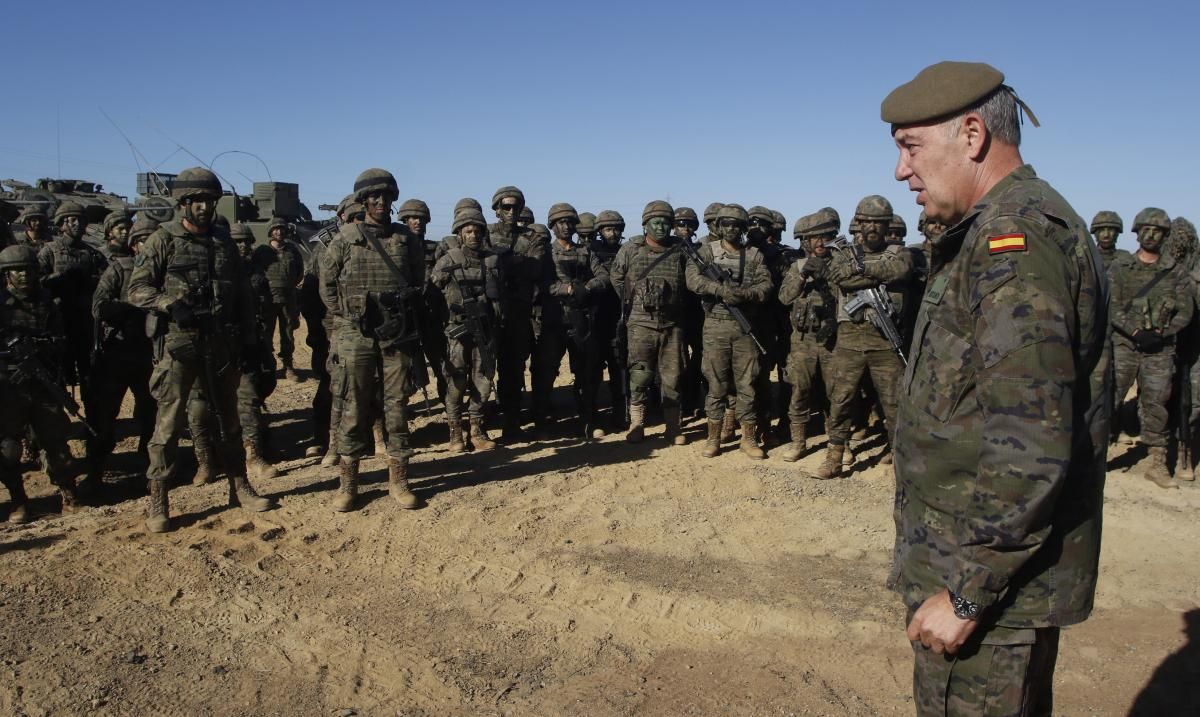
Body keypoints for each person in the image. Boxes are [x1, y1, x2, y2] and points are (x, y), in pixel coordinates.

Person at [882, 61, 1109, 715]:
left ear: (973, 134)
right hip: (991, 579)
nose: (902, 171)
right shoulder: (1003, 229)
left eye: (910, 146)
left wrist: (965, 592)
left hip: (992, 597)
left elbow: (1029, 442)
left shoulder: (1014, 243)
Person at [127, 167, 274, 532]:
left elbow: (241, 293)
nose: (205, 208)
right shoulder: (163, 240)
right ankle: (158, 498)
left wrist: (252, 343)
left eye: (210, 200)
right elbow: (136, 289)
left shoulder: (222, 241)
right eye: (198, 201)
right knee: (169, 424)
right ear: (183, 204)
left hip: (221, 344)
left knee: (230, 419)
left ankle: (239, 485)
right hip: (179, 345)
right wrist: (168, 304)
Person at [320, 168, 424, 512]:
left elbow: (416, 281)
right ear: (363, 200)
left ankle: (399, 481)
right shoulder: (344, 238)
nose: (380, 202)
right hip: (356, 335)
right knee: (354, 407)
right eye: (373, 197)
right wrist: (352, 314)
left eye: (386, 197)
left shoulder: (404, 239)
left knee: (397, 407)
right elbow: (327, 286)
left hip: (395, 334)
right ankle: (349, 484)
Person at [820, 195, 913, 477]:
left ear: (887, 226)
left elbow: (900, 270)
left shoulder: (901, 253)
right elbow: (840, 277)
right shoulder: (841, 254)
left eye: (879, 222)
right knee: (841, 400)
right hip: (849, 339)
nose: (872, 227)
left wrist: (862, 269)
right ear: (859, 224)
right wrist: (878, 275)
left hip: (885, 340)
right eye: (867, 221)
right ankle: (835, 455)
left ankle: (900, 456)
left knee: (895, 402)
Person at [1108, 207, 1193, 488]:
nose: (1151, 234)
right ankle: (1098, 456)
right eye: (1146, 229)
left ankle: (1157, 463)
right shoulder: (1122, 269)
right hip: (1124, 345)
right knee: (1111, 398)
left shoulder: (1175, 272)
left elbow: (1185, 310)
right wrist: (1134, 332)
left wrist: (1163, 333)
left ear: (1165, 235)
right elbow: (1112, 305)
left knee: (1157, 403)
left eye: (1157, 231)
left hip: (1160, 349)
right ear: (1136, 233)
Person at [0, 245, 81, 522]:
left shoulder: (47, 302)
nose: (23, 275)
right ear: (6, 274)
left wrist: (42, 346)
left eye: (28, 269)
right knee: (9, 448)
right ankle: (18, 501)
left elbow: (62, 340)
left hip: (42, 382)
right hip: (8, 386)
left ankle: (69, 494)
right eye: (17, 270)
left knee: (56, 443)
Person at [685, 203, 772, 459]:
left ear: (743, 228)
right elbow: (693, 280)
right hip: (715, 325)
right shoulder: (706, 253)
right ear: (718, 227)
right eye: (726, 224)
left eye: (736, 225)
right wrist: (719, 290)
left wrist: (746, 294)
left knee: (747, 383)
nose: (731, 229)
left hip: (745, 327)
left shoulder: (754, 255)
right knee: (716, 384)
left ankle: (748, 437)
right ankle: (713, 437)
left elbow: (766, 285)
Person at [82, 215, 157, 495]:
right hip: (117, 354)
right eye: (143, 241)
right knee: (105, 416)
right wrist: (130, 308)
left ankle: (152, 472)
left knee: (152, 416)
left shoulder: (163, 274)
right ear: (134, 245)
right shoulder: (118, 269)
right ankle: (95, 472)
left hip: (150, 354)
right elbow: (98, 307)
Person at [610, 200, 691, 444]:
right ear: (645, 225)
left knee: (673, 377)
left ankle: (673, 427)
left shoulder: (681, 249)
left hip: (672, 324)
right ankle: (637, 424)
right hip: (640, 324)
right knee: (640, 375)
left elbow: (691, 281)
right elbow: (616, 277)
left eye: (667, 223)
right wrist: (634, 301)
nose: (661, 227)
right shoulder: (631, 249)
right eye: (656, 222)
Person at [533, 203, 610, 438]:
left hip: (581, 321)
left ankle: (588, 418)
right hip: (554, 320)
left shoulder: (585, 252)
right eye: (560, 223)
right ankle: (542, 419)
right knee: (545, 371)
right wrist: (564, 289)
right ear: (553, 226)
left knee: (587, 372)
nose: (566, 227)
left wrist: (586, 287)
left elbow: (604, 277)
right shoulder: (545, 254)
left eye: (569, 222)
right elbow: (541, 284)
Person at [431, 208, 502, 452]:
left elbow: (497, 298)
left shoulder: (491, 260)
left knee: (482, 379)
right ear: (460, 234)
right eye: (468, 231)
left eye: (477, 231)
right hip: (457, 328)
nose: (473, 235)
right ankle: (455, 432)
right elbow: (433, 291)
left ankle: (477, 430)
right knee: (456, 380)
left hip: (483, 329)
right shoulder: (449, 259)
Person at [776, 209, 840, 461]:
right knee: (799, 390)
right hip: (803, 340)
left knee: (835, 393)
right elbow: (784, 298)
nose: (821, 242)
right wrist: (802, 276)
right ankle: (798, 442)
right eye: (815, 238)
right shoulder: (797, 266)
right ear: (805, 241)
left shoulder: (839, 264)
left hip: (832, 339)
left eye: (826, 236)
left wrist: (827, 275)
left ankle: (836, 445)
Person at [39, 201, 108, 410]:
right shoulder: (49, 251)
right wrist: (57, 279)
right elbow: (36, 284)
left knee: (90, 374)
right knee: (56, 373)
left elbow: (107, 282)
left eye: (80, 220)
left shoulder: (93, 254)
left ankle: (94, 416)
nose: (77, 224)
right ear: (61, 224)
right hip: (58, 322)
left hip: (85, 322)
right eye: (71, 220)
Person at [254, 218, 304, 381]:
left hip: (288, 298)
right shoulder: (261, 251)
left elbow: (299, 271)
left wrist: (290, 286)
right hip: (268, 299)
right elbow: (255, 274)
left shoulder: (292, 250)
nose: (279, 232)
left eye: (282, 229)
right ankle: (268, 367)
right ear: (270, 232)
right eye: (276, 229)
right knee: (266, 333)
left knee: (288, 333)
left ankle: (288, 366)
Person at [591, 210, 627, 430]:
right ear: (599, 231)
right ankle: (591, 417)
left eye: (615, 228)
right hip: (595, 317)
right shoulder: (590, 252)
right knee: (592, 371)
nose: (611, 233)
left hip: (620, 316)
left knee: (620, 368)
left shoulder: (627, 251)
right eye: (607, 228)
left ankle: (620, 413)